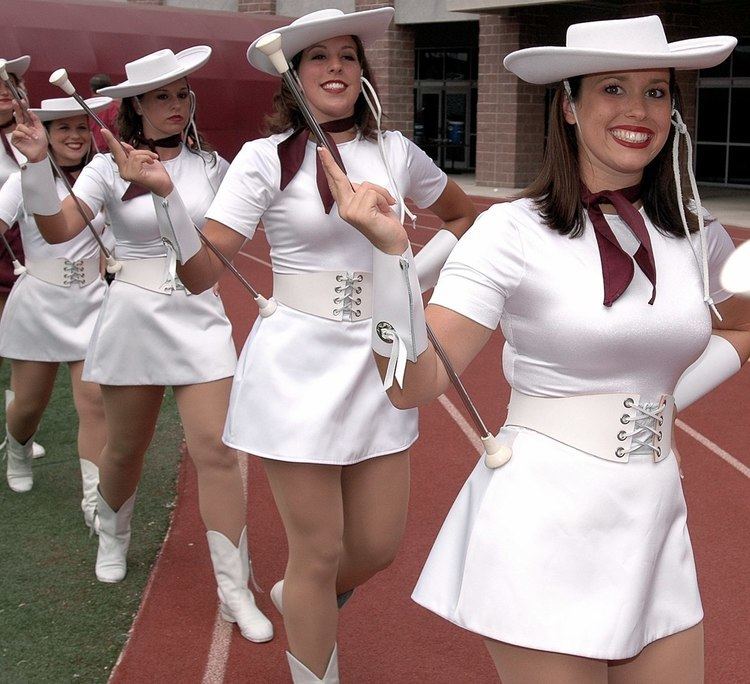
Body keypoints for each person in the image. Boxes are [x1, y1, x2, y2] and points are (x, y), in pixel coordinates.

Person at [319, 15, 747, 683]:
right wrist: (389, 261)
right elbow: (413, 382)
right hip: (544, 517)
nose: (638, 110)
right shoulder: (510, 232)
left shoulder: (699, 238)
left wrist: (659, 409)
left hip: (655, 511)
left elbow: (740, 328)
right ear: (569, 106)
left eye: (657, 92)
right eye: (613, 88)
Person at [105, 8, 476, 681]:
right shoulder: (261, 159)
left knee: (378, 546)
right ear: (294, 78)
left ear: (363, 73)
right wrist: (164, 199)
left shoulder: (394, 152)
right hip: (296, 367)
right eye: (316, 57)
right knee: (317, 552)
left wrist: (409, 278)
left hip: (382, 361)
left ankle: (298, 600)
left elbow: (460, 216)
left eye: (346, 55)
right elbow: (202, 274)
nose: (334, 67)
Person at [12, 46, 273, 643]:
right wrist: (33, 167)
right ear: (135, 105)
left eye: (183, 94)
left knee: (218, 451)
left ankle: (235, 590)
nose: (176, 106)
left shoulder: (214, 166)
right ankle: (113, 530)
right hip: (132, 314)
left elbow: (213, 247)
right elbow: (56, 230)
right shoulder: (106, 167)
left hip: (198, 316)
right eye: (161, 96)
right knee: (125, 450)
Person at [0, 97, 110, 529]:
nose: (74, 136)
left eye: (81, 128)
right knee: (28, 405)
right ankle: (19, 446)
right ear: (45, 133)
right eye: (62, 129)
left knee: (95, 403)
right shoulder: (27, 178)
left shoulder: (103, 176)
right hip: (39, 303)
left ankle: (94, 502)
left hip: (92, 300)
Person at [0, 54, 45, 460]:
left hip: (33, 248)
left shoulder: (35, 133)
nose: (4, 92)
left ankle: (19, 435)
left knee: (21, 341)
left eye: (10, 84)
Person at [89, 74, 120, 153]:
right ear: (109, 88)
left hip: (90, 152)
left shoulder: (85, 106)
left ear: (92, 89)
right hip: (110, 151)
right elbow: (119, 130)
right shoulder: (114, 106)